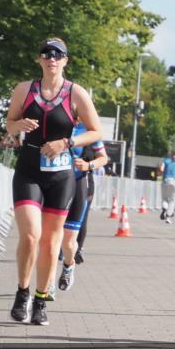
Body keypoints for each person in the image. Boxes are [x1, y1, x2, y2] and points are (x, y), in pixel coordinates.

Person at [5, 38, 103, 326]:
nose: (52, 59)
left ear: (65, 61)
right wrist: (17, 126)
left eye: (58, 55)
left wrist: (67, 142)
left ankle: (41, 299)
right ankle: (22, 292)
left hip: (61, 175)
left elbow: (96, 132)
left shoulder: (77, 93)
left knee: (51, 243)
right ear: (39, 60)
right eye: (47, 54)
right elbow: (10, 123)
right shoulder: (24, 90)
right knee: (31, 235)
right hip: (29, 169)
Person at [52, 120, 108, 291]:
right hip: (54, 183)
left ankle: (69, 265)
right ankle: (47, 283)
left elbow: (103, 158)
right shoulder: (55, 121)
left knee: (69, 241)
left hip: (77, 182)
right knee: (50, 238)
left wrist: (88, 165)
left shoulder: (87, 130)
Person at [159, 150, 175, 224]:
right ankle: (168, 217)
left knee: (164, 198)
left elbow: (161, 169)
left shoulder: (166, 161)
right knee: (172, 200)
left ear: (171, 155)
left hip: (165, 181)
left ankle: (165, 208)